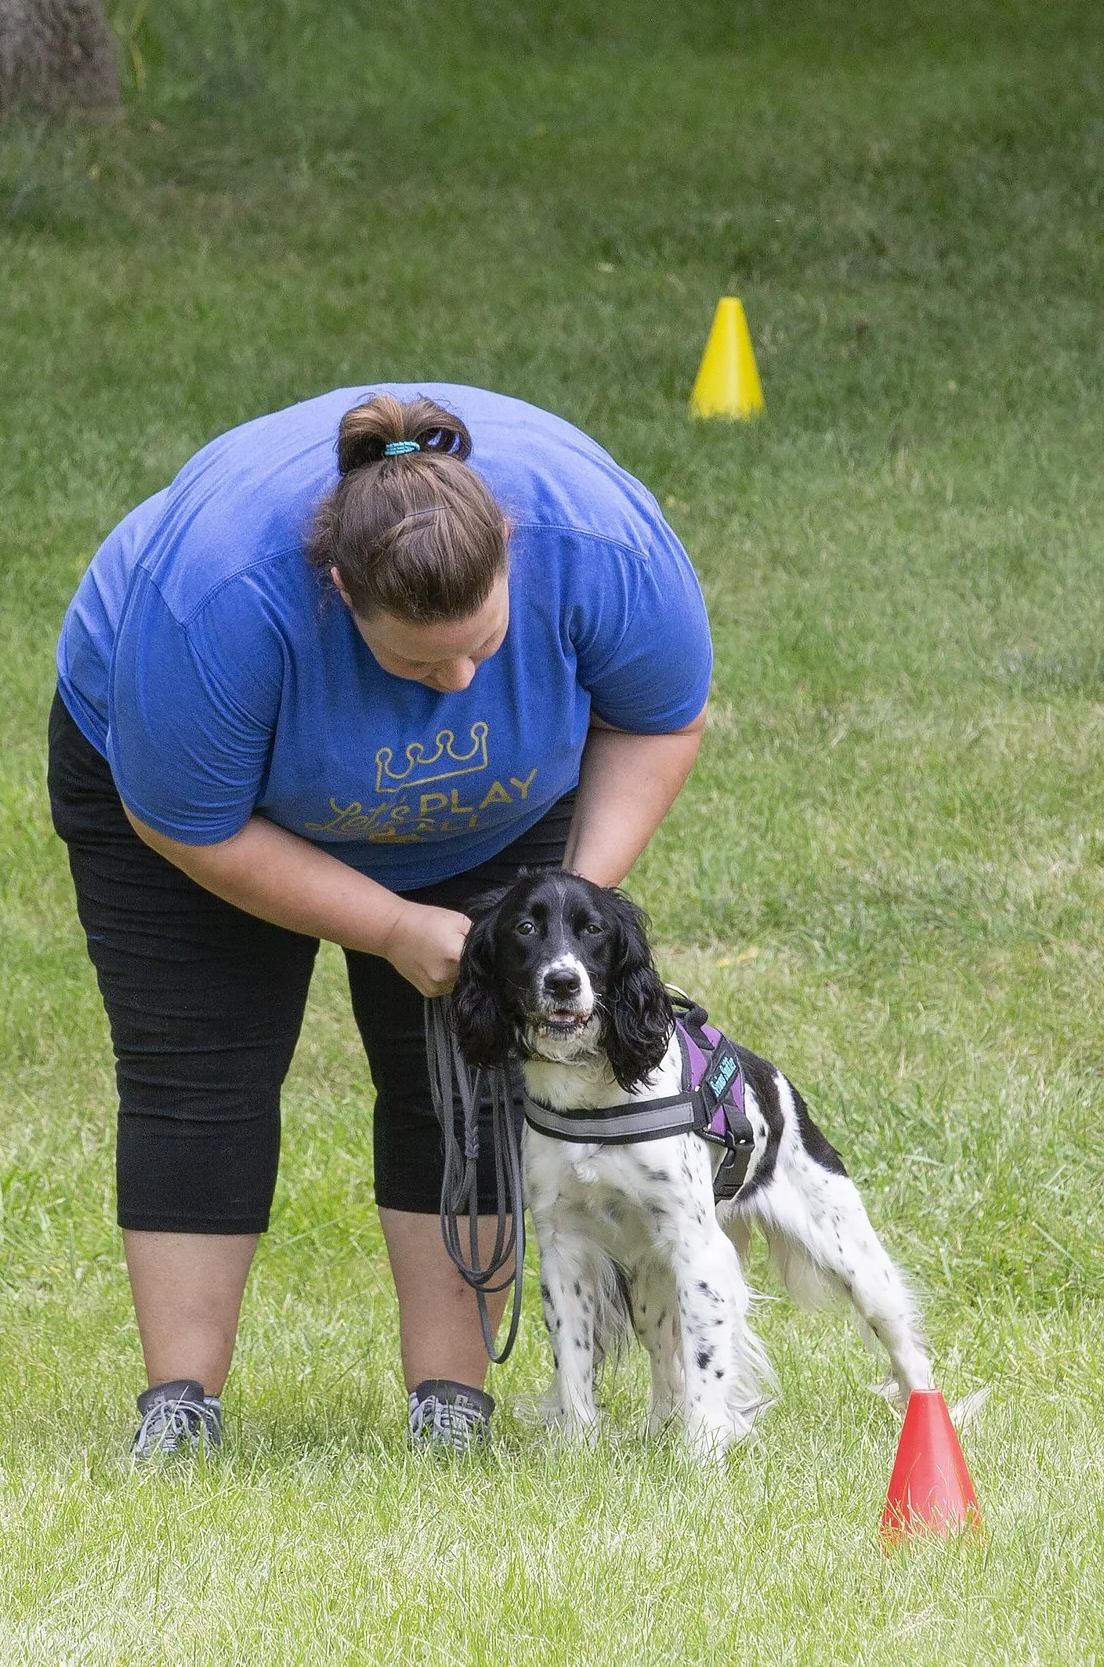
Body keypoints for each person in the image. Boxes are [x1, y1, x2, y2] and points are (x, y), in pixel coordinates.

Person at [48, 384, 712, 1455]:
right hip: (196, 809)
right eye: (416, 662)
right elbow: (190, 823)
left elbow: (659, 715)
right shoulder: (217, 598)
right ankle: (180, 1409)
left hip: (493, 806)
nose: (455, 681)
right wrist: (392, 926)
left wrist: (548, 921)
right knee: (198, 1066)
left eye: (483, 647)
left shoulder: (597, 540)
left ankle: (451, 1407)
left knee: (464, 1069)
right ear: (338, 590)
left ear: (510, 553)